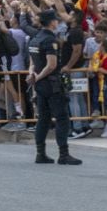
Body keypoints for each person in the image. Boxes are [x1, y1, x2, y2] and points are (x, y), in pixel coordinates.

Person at [25, 9, 82, 166]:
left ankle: (40, 153)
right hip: (51, 84)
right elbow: (51, 65)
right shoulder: (50, 40)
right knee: (62, 118)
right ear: (52, 22)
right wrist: (37, 76)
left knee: (43, 119)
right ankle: (64, 154)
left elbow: (32, 63)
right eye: (56, 20)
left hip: (40, 85)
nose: (58, 22)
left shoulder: (35, 39)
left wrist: (33, 76)